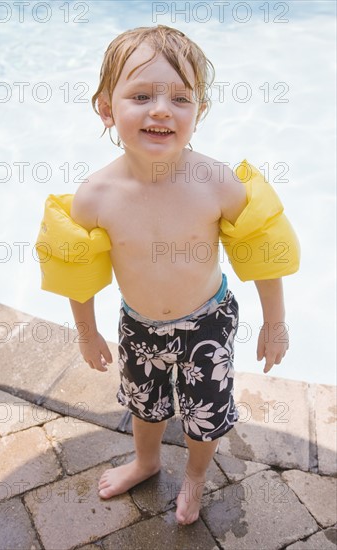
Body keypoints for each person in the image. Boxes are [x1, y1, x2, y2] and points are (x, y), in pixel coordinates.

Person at [36, 25, 300, 525]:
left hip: (207, 320)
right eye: (142, 95)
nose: (161, 109)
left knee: (206, 417)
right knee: (145, 407)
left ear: (198, 113)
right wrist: (87, 333)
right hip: (138, 325)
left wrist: (275, 322)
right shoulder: (96, 196)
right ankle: (146, 460)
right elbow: (77, 271)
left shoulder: (216, 183)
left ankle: (196, 475)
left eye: (180, 98)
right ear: (106, 109)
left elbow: (264, 250)